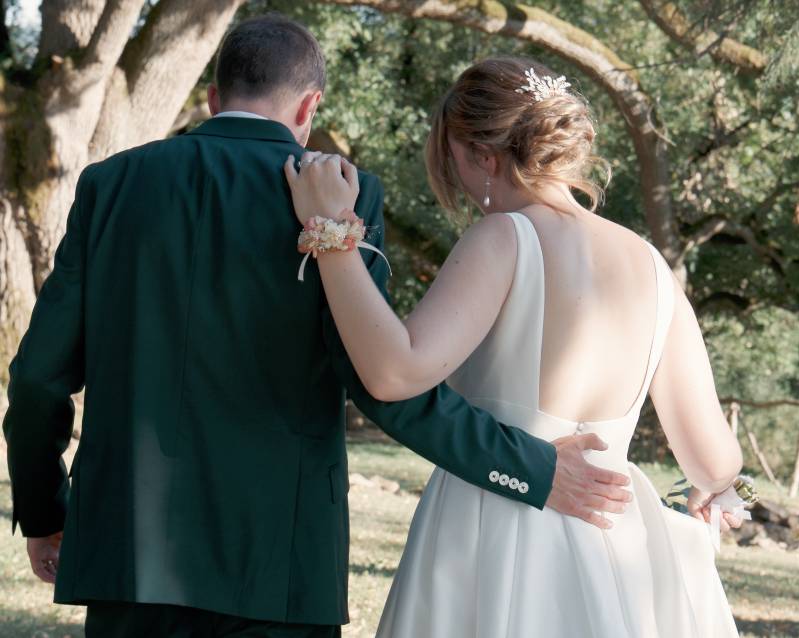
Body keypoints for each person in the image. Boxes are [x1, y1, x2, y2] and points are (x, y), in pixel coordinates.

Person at [2, 18, 632, 638]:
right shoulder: (346, 194)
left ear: (215, 98)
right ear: (310, 105)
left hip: (128, 555)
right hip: (283, 559)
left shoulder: (110, 184)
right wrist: (533, 469)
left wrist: (42, 512)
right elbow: (383, 381)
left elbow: (34, 379)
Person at [284, 57, 746, 637]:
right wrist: (720, 488)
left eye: (451, 156)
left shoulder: (504, 238)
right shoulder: (653, 267)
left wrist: (332, 234)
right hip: (614, 545)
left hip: (495, 531)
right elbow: (712, 461)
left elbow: (394, 373)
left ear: (483, 155)